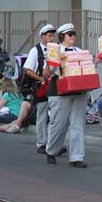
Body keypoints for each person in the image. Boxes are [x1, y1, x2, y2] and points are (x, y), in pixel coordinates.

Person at [43, 23, 94, 167]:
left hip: (78, 91)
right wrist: (49, 63)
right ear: (62, 36)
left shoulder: (79, 51)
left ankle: (77, 157)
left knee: (78, 124)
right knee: (58, 124)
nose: (73, 37)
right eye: (69, 34)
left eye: (74, 34)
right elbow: (46, 74)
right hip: (59, 91)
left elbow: (87, 69)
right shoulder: (55, 50)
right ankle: (51, 151)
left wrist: (96, 62)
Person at [22, 24, 55, 153]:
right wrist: (40, 78)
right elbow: (27, 69)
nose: (51, 38)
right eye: (49, 36)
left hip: (54, 86)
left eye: (52, 36)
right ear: (42, 37)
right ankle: (41, 143)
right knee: (42, 115)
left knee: (56, 116)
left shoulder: (56, 50)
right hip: (41, 87)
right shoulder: (35, 50)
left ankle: (52, 143)